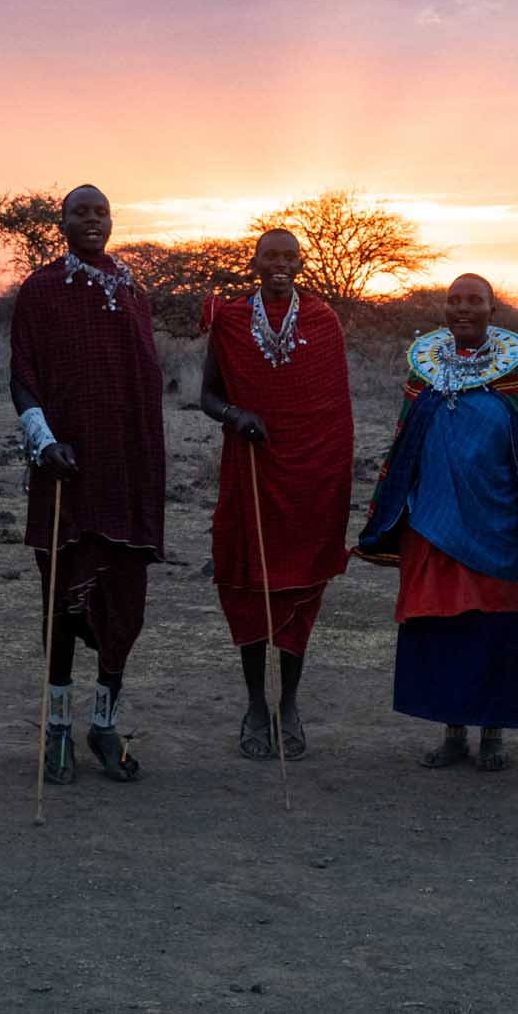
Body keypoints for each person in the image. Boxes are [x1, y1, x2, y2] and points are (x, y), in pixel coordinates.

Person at [355, 274, 518, 772]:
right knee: (440, 626)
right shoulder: (424, 372)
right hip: (431, 524)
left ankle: (492, 734)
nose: (463, 309)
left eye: (475, 301)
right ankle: (452, 732)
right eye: (454, 301)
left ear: (494, 310)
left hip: (497, 525)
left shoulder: (517, 375)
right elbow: (405, 443)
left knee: (492, 628)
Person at [9, 184, 166, 783]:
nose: (92, 220)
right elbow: (22, 376)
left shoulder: (133, 291)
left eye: (101, 211)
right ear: (62, 222)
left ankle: (104, 726)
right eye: (81, 212)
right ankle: (56, 728)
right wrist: (43, 441)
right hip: (65, 471)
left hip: (126, 473)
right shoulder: (41, 289)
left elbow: (144, 386)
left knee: (123, 607)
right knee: (60, 607)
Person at [199, 228, 353, 761]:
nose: (280, 264)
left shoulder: (323, 322)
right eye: (271, 256)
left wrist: (332, 483)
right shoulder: (230, 320)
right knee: (246, 586)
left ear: (301, 263)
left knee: (298, 589)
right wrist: (236, 414)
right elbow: (208, 396)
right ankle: (254, 704)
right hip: (249, 471)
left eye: (289, 256)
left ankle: (288, 704)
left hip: (309, 480)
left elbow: (336, 413)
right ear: (255, 262)